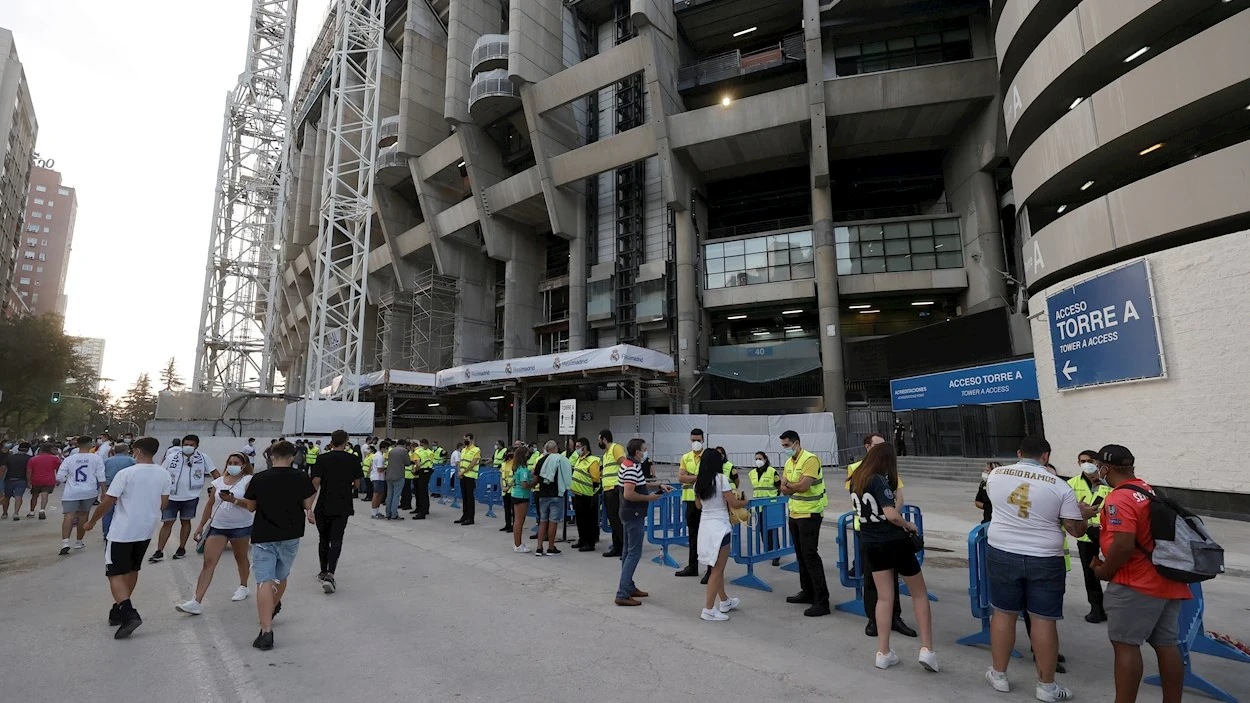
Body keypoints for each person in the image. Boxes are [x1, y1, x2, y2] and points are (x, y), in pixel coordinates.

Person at [983, 437, 1097, 701]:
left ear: (1019, 452)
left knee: (1003, 613)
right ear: (1046, 456)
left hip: (1002, 551)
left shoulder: (996, 475)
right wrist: (1084, 514)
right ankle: (1046, 686)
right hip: (1045, 557)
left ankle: (999, 675)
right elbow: (1075, 530)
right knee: (1043, 619)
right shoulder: (1061, 486)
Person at [1090, 444, 1190, 703]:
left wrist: (1103, 572)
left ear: (1106, 468)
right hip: (1167, 580)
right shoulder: (1149, 490)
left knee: (1125, 645)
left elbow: (1123, 544)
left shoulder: (1119, 498)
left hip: (1135, 584)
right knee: (1167, 646)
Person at [849, 444, 937, 672]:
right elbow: (890, 514)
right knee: (919, 593)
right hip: (893, 542)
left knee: (884, 598)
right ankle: (927, 649)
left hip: (871, 543)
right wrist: (909, 524)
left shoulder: (856, 480)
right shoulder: (878, 480)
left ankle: (883, 652)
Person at [220, 440, 315, 651]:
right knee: (282, 576)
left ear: (271, 457)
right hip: (291, 534)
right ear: (293, 457)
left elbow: (251, 507)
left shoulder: (259, 478)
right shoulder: (301, 476)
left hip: (264, 534)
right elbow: (309, 499)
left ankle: (266, 631)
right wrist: (308, 509)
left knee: (264, 580)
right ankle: (272, 606)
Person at [84, 437, 169, 639]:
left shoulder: (126, 474)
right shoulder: (164, 474)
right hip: (146, 530)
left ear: (137, 451)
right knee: (132, 569)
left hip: (123, 531)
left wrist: (92, 521)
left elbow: (108, 501)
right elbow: (164, 504)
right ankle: (119, 608)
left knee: (114, 573)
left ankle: (129, 612)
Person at [848, 433, 915, 638]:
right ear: (868, 447)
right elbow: (858, 498)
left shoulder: (888, 468)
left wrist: (892, 511)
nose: (882, 449)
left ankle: (895, 617)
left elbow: (899, 495)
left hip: (890, 529)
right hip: (867, 530)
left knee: (892, 576)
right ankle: (873, 619)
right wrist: (887, 512)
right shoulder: (857, 470)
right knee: (871, 577)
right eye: (878, 445)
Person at [175, 453, 255, 615]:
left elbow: (252, 505)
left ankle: (243, 586)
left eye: (236, 462)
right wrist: (200, 526)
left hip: (240, 526)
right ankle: (196, 601)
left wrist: (234, 501)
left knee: (240, 558)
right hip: (218, 526)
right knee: (208, 562)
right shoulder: (218, 482)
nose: (232, 465)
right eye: (230, 462)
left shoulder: (248, 481)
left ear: (244, 465)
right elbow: (210, 504)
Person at [779, 429, 830, 617]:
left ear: (796, 443)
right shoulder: (788, 462)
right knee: (801, 556)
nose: (785, 449)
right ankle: (807, 592)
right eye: (783, 446)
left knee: (810, 556)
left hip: (810, 514)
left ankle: (822, 601)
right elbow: (783, 488)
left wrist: (792, 486)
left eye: (787, 445)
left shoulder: (810, 460)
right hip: (795, 513)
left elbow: (804, 486)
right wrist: (793, 486)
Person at [615, 438, 672, 606]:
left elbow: (639, 484)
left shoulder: (629, 464)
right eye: (644, 449)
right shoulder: (632, 467)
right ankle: (623, 593)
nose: (646, 452)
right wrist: (650, 498)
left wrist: (658, 486)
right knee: (633, 553)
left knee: (627, 552)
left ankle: (628, 586)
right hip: (633, 513)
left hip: (628, 513)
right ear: (637, 452)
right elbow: (629, 493)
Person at [695, 447, 746, 621]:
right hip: (720, 527)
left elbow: (698, 506)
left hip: (705, 526)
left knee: (716, 567)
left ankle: (724, 601)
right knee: (717, 569)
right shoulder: (721, 479)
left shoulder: (699, 482)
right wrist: (746, 501)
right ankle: (708, 609)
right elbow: (733, 502)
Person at [151, 435, 218, 562]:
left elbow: (215, 473)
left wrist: (220, 487)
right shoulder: (172, 457)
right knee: (167, 523)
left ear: (197, 446)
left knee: (185, 522)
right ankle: (159, 551)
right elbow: (161, 472)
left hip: (191, 497)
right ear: (182, 445)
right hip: (172, 496)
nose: (188, 447)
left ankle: (181, 548)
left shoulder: (203, 458)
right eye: (186, 444)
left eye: (191, 445)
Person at [1066, 449, 1112, 623]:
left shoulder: (1108, 482)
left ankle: (1116, 606)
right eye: (1081, 461)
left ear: (1097, 461)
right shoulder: (1072, 483)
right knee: (1090, 572)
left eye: (1089, 460)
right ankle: (1096, 608)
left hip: (1107, 532)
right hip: (1086, 534)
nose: (1085, 463)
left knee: (1115, 568)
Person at [311, 430, 358, 593]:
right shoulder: (353, 459)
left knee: (323, 539)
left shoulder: (322, 458)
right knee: (337, 539)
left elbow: (315, 483)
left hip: (323, 505)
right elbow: (357, 483)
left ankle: (323, 571)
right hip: (343, 505)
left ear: (331, 441)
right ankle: (331, 573)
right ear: (346, 441)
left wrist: (309, 506)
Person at [56, 436, 107, 555]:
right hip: (89, 491)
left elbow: (59, 477)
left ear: (77, 444)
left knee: (68, 515)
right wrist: (104, 491)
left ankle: (65, 542)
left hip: (71, 492)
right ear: (91, 444)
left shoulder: (69, 459)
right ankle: (79, 541)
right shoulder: (96, 458)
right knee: (83, 515)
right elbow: (101, 475)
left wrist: (66, 481)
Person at [532, 440, 573, 555]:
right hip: (556, 494)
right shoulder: (560, 460)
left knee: (542, 521)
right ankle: (551, 547)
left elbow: (535, 478)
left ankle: (539, 547)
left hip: (542, 494)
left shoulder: (540, 461)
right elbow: (566, 475)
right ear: (555, 448)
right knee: (553, 522)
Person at [676, 428, 706, 578]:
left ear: (703, 440)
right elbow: (680, 478)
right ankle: (693, 566)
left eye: (698, 440)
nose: (695, 443)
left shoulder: (707, 457)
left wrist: (690, 476)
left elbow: (707, 477)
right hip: (689, 499)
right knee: (692, 534)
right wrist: (698, 477)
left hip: (705, 501)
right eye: (693, 440)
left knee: (707, 535)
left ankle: (710, 570)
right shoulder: (685, 457)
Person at [748, 451, 782, 564]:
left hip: (770, 506)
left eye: (760, 458)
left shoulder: (772, 471)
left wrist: (774, 499)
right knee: (762, 530)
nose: (758, 460)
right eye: (756, 458)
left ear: (765, 459)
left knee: (772, 529)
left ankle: (776, 553)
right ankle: (768, 550)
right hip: (758, 507)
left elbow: (779, 487)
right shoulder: (752, 473)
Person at [569, 437, 602, 552]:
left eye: (578, 447)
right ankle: (582, 540)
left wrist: (593, 494)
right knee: (580, 519)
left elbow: (595, 480)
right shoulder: (579, 459)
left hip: (588, 495)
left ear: (585, 447)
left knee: (589, 520)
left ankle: (590, 542)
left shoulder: (593, 460)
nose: (576, 449)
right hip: (578, 494)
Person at [598, 430, 625, 558]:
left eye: (599, 439)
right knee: (613, 521)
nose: (598, 442)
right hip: (608, 489)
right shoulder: (606, 454)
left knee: (617, 520)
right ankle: (617, 547)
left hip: (615, 488)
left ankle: (625, 548)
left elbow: (624, 464)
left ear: (604, 439)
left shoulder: (616, 448)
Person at [101, 442, 137, 538]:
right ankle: (125, 531)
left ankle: (106, 532)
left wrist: (102, 490)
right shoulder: (131, 461)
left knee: (108, 510)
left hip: (110, 487)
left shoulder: (107, 461)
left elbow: (101, 476)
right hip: (127, 488)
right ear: (126, 451)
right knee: (126, 510)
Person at [25, 443, 60, 519]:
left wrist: (28, 481)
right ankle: (42, 510)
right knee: (45, 495)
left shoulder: (33, 459)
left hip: (36, 480)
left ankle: (32, 511)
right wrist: (58, 479)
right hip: (49, 480)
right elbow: (58, 469)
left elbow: (29, 471)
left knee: (34, 495)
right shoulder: (55, 459)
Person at [510, 445, 534, 553]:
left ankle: (517, 543)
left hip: (516, 494)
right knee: (519, 520)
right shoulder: (523, 469)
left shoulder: (517, 467)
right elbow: (524, 485)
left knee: (518, 520)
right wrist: (533, 483)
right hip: (522, 495)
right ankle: (518, 544)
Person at [456, 433, 482, 525]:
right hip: (462, 476)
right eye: (464, 439)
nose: (465, 440)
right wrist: (459, 472)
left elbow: (473, 463)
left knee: (470, 497)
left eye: (466, 439)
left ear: (471, 439)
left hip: (470, 476)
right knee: (464, 497)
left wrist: (462, 472)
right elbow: (460, 462)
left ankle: (470, 518)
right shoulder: (463, 450)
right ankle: (464, 516)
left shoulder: (476, 450)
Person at [1, 441, 31, 519]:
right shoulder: (29, 458)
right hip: (21, 479)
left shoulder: (10, 457)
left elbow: (3, 469)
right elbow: (29, 471)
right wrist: (29, 481)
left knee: (6, 497)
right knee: (18, 496)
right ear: (27, 450)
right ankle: (16, 513)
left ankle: (4, 513)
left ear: (18, 448)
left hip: (9, 479)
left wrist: (1, 478)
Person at [411, 439, 434, 520]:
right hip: (428, 471)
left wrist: (414, 470)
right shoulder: (430, 452)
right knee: (424, 491)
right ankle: (425, 509)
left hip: (421, 472)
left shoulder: (417, 452)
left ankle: (422, 512)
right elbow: (430, 462)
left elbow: (418, 464)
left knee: (421, 492)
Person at [370, 440, 389, 518]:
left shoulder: (376, 455)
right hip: (378, 477)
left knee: (380, 494)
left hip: (377, 477)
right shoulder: (380, 457)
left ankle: (376, 511)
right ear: (384, 448)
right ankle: (374, 513)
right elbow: (379, 469)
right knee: (376, 494)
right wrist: (387, 467)